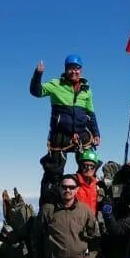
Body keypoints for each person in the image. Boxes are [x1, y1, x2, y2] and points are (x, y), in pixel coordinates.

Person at [30, 55, 100, 206]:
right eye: (70, 68)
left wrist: (96, 133)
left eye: (76, 68)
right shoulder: (56, 84)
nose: (73, 71)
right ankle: (49, 207)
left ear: (80, 70)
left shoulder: (86, 90)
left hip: (82, 134)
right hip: (60, 135)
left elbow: (90, 113)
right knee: (53, 173)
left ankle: (86, 204)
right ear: (66, 69)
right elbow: (36, 91)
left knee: (88, 166)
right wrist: (38, 74)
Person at [72, 149, 105, 214]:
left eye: (92, 166)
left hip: (92, 222)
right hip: (76, 222)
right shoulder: (72, 183)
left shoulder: (98, 185)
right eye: (85, 165)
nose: (88, 168)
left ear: (95, 168)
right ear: (80, 166)